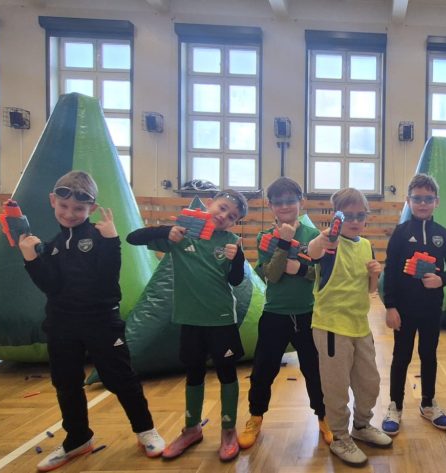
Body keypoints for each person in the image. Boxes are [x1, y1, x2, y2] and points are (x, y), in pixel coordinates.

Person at [19, 170, 164, 472]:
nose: (70, 213)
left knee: (120, 378)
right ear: (53, 201)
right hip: (62, 324)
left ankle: (145, 429)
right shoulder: (52, 245)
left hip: (101, 321)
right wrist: (31, 259)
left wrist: (112, 241)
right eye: (64, 206)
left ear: (92, 208)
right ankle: (78, 438)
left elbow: (108, 280)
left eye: (79, 208)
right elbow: (51, 286)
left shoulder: (99, 236)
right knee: (66, 382)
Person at [126, 189, 249, 462]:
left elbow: (236, 280)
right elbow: (133, 238)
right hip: (190, 320)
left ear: (234, 223)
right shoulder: (182, 233)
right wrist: (167, 230)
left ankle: (229, 430)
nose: (224, 216)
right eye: (222, 208)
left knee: (227, 374)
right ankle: (192, 429)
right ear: (210, 203)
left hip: (221, 321)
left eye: (232, 216)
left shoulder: (230, 242)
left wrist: (237, 258)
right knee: (194, 374)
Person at [239, 177, 332, 449]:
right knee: (263, 370)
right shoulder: (264, 237)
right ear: (270, 205)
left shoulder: (313, 235)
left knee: (315, 370)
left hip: (308, 314)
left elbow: (321, 273)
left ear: (301, 202)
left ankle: (324, 416)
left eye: (290, 201)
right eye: (278, 202)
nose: (284, 206)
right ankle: (256, 417)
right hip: (275, 314)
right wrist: (284, 243)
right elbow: (272, 274)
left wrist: (301, 269)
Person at [306, 188, 391, 466]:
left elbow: (369, 291)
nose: (355, 221)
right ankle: (340, 437)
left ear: (366, 217)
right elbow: (313, 252)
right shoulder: (330, 242)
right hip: (332, 327)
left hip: (360, 325)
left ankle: (362, 426)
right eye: (348, 216)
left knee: (369, 382)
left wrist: (375, 275)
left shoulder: (365, 245)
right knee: (336, 387)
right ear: (337, 216)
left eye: (360, 215)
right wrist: (323, 237)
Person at [381, 173, 446, 435]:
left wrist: (441, 280)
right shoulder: (401, 233)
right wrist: (390, 306)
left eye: (428, 199)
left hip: (431, 309)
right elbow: (390, 272)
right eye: (417, 199)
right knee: (401, 356)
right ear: (408, 201)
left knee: (429, 355)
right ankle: (395, 405)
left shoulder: (443, 234)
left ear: (436, 201)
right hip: (403, 310)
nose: (423, 204)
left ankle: (428, 403)